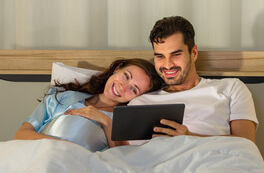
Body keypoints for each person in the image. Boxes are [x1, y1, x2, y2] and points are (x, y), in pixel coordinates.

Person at [128, 16, 258, 143]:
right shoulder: (139, 103)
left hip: (215, 162)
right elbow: (126, 154)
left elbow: (246, 143)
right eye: (160, 56)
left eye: (176, 54)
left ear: (194, 53)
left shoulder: (231, 88)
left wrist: (190, 137)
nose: (167, 65)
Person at [14, 58, 163, 151]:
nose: (122, 87)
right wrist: (61, 146)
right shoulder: (62, 95)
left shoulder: (121, 122)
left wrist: (105, 121)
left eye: (134, 89)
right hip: (38, 158)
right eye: (126, 76)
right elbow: (21, 135)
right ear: (117, 68)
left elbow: (122, 160)